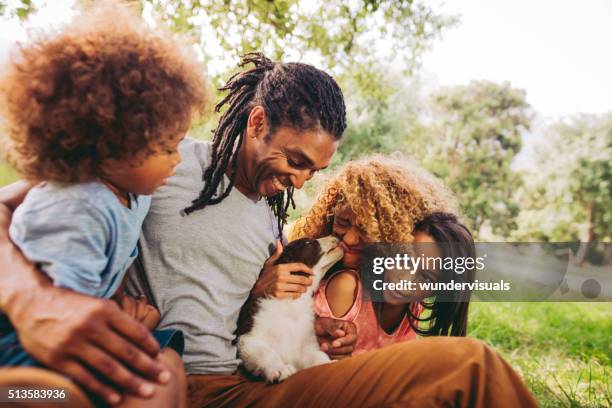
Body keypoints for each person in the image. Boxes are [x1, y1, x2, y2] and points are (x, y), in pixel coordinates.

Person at [0, 51, 538, 407]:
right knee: (469, 362)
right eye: (296, 159)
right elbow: (13, 209)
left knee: (469, 368)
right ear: (257, 123)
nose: (301, 180)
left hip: (246, 385)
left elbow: (253, 319)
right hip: (168, 379)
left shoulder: (268, 220)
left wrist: (281, 309)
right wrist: (32, 301)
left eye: (314, 171)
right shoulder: (158, 164)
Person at [0, 2, 205, 406]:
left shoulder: (134, 191)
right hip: (24, 341)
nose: (177, 160)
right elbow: (63, 310)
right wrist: (116, 317)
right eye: (165, 148)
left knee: (167, 368)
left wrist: (119, 308)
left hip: (83, 322)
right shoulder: (78, 204)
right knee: (132, 387)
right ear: (109, 149)